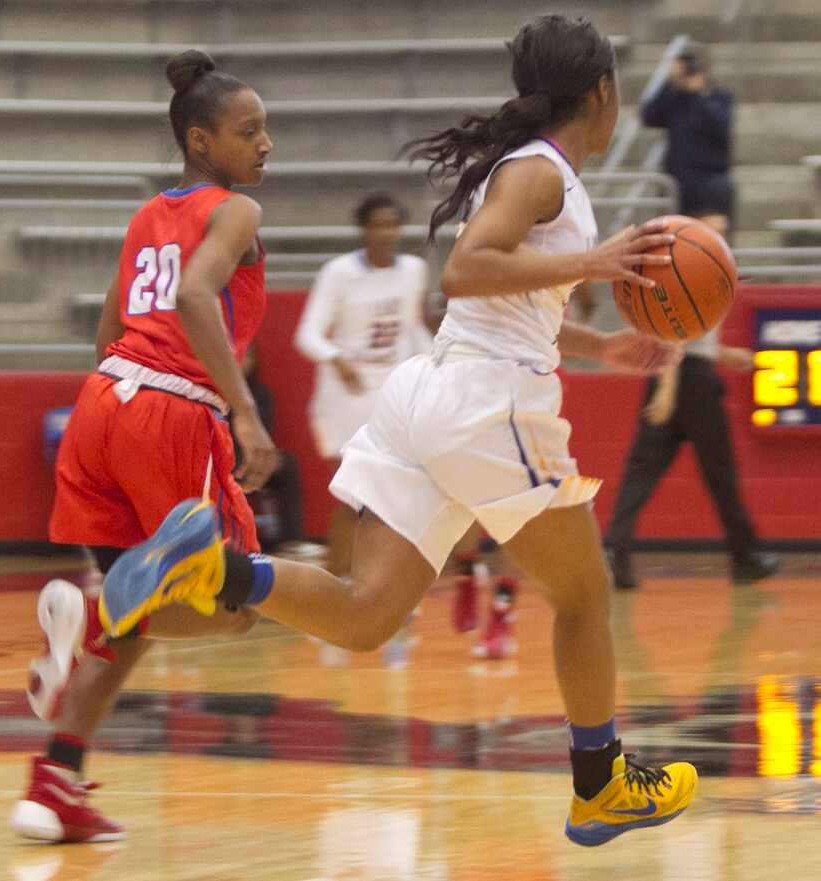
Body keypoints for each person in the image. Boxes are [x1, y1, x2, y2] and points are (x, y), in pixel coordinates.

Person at [97, 16, 699, 847]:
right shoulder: (542, 171)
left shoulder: (530, 171)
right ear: (601, 92)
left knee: (365, 614)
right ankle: (601, 784)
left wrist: (601, 345)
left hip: (438, 392)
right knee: (585, 594)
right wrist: (592, 265)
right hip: (489, 404)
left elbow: (491, 303)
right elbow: (466, 270)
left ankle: (217, 567)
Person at [11, 49, 278, 842]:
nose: (267, 143)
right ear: (201, 141)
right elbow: (196, 296)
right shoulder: (237, 212)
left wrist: (118, 420)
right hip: (171, 408)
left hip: (102, 402)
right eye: (249, 130)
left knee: (133, 615)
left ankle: (52, 782)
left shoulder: (144, 215)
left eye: (267, 129)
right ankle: (95, 607)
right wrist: (246, 414)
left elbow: (107, 333)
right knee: (232, 608)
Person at [295, 192, 432, 579]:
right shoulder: (339, 273)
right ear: (363, 230)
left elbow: (412, 327)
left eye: (392, 224)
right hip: (346, 392)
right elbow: (307, 334)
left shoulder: (413, 270)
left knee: (393, 491)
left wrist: (438, 363)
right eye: (377, 225)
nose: (386, 233)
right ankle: (337, 577)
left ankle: (377, 580)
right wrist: (336, 359)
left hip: (391, 388)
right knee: (358, 492)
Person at [606, 325, 780, 589]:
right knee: (721, 475)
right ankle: (746, 558)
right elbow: (676, 327)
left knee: (640, 473)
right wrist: (667, 389)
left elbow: (687, 336)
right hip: (687, 380)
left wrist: (721, 353)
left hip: (671, 373)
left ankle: (615, 553)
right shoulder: (701, 283)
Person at [641, 43, 735, 239]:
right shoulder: (674, 99)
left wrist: (698, 94)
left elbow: (720, 127)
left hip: (710, 184)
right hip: (678, 183)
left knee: (712, 242)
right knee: (675, 242)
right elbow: (648, 116)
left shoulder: (718, 97)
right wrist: (670, 81)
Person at [241, 345, 318, 555]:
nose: (244, 361)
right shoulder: (216, 394)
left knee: (288, 464)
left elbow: (265, 433)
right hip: (226, 459)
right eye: (240, 355)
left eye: (249, 356)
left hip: (254, 459)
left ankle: (292, 541)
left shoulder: (262, 394)